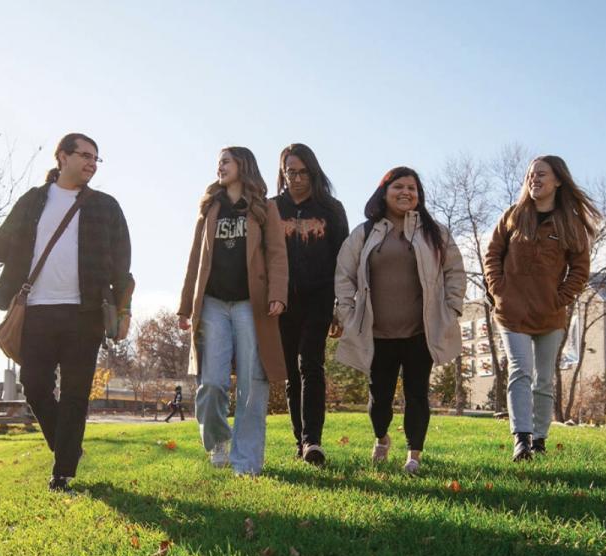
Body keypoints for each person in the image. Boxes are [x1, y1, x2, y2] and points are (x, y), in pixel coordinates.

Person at [0, 132, 133, 490]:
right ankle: (68, 448)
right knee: (35, 385)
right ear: (62, 156)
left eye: (96, 158)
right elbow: (4, 249)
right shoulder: (33, 201)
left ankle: (63, 472)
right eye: (85, 155)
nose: (92, 163)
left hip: (86, 313)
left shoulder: (106, 207)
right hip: (37, 311)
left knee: (75, 393)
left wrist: (124, 311)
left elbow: (122, 265)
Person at [335, 167, 465, 474]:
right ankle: (382, 437)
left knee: (417, 394)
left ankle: (413, 455)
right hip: (377, 332)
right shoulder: (365, 233)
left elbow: (455, 271)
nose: (406, 192)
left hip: (421, 331)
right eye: (398, 187)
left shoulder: (434, 232)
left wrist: (452, 309)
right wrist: (346, 313)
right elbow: (344, 274)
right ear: (384, 192)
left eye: (412, 188)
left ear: (419, 195)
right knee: (379, 399)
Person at [178, 147, 288, 476]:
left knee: (252, 383)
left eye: (225, 161)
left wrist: (277, 293)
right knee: (211, 382)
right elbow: (195, 258)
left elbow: (277, 254)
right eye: (218, 163)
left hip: (250, 304)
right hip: (213, 303)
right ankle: (218, 441)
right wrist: (185, 305)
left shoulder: (265, 208)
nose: (220, 167)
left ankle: (246, 462)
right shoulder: (210, 207)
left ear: (243, 165)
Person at [483, 155, 601, 461]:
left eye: (541, 174)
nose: (534, 179)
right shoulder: (513, 215)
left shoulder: (570, 224)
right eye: (531, 174)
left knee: (544, 379)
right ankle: (521, 439)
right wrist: (498, 290)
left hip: (549, 315)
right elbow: (492, 254)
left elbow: (580, 269)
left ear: (558, 180)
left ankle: (539, 439)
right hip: (511, 313)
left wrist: (560, 298)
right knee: (520, 371)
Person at [272, 143, 349, 465]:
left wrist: (340, 307)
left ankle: (312, 441)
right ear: (283, 173)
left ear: (314, 172)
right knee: (291, 372)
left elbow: (344, 261)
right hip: (282, 300)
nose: (298, 178)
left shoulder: (331, 209)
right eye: (291, 172)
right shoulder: (272, 208)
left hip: (319, 296)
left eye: (304, 172)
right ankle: (299, 441)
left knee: (311, 364)